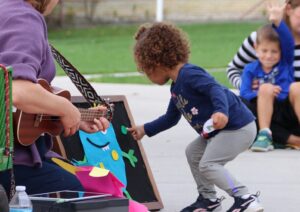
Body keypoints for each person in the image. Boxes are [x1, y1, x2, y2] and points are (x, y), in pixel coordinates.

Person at [129, 22, 263, 212]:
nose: (146, 75)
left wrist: (220, 111)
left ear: (155, 63)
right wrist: (144, 129)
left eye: (145, 70)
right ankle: (209, 199)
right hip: (222, 131)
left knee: (209, 164)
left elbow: (216, 89)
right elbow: (170, 118)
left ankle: (244, 197)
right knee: (193, 153)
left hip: (238, 128)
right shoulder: (176, 87)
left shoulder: (190, 74)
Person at [0, 0, 109, 197]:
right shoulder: (24, 17)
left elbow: (18, 110)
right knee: (70, 190)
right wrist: (65, 109)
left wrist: (76, 116)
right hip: (8, 163)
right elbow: (17, 89)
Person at [227, 0, 300, 149]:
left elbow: (286, 43)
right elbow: (234, 70)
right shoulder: (261, 38)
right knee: (237, 105)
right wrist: (251, 87)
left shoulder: (286, 56)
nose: (269, 55)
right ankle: (284, 138)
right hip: (265, 108)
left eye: (274, 52)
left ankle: (283, 138)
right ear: (289, 10)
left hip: (294, 108)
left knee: (297, 87)